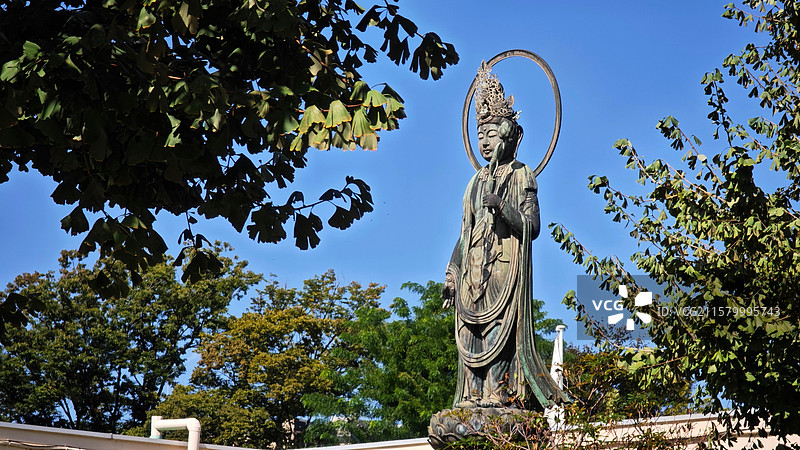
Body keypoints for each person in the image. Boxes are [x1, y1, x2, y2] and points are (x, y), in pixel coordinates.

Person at [442, 63, 568, 410]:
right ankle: (471, 396)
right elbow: (464, 233)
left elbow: (533, 226)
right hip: (472, 274)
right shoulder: (474, 181)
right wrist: (452, 274)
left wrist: (501, 207)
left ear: (511, 136)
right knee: (470, 333)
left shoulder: (521, 174)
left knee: (499, 330)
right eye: (480, 134)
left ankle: (498, 394)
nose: (484, 141)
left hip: (503, 268)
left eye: (492, 134)